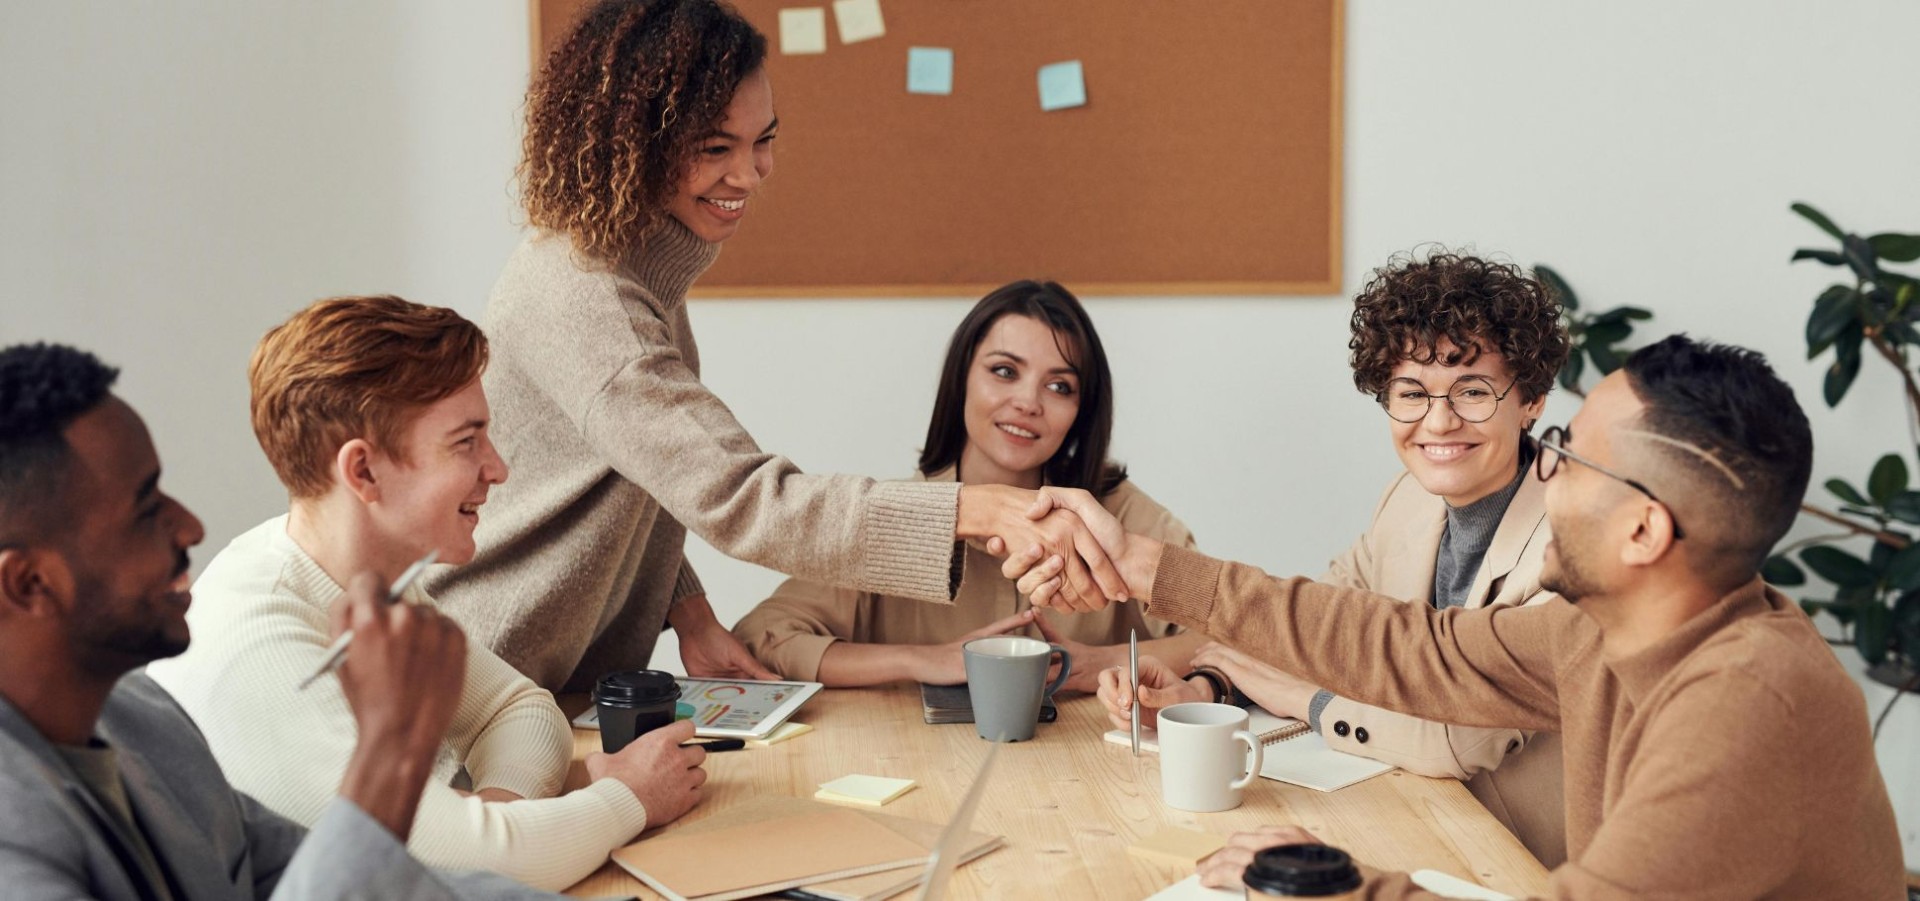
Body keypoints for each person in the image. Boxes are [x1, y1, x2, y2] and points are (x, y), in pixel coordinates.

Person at [1012, 336, 1905, 897]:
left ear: (1643, 528)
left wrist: (1338, 886)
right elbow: (1405, 646)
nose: (1542, 474)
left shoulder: (1748, 703)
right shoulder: (1599, 628)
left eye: (1566, 456)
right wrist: (1145, 566)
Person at [425, 0, 1124, 694]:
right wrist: (969, 510)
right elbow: (743, 496)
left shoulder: (634, 271)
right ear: (636, 143)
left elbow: (645, 472)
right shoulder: (591, 298)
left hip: (552, 683)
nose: (752, 172)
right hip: (484, 680)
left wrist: (689, 611)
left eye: (764, 139)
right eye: (715, 148)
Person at [145, 297, 704, 890]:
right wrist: (628, 797)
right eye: (466, 443)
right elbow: (459, 865)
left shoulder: (362, 577)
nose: (497, 469)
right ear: (362, 472)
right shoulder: (261, 644)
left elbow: (520, 710)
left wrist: (496, 817)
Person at [0, 342, 560, 900]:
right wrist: (392, 747)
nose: (192, 527)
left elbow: (322, 876)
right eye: (147, 509)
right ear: (30, 584)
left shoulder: (148, 722)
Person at [1098, 251, 1570, 864]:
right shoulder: (1407, 500)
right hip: (1416, 821)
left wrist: (1307, 701)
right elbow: (1315, 627)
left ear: (1531, 399)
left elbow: (1458, 741)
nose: (1439, 421)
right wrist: (1207, 688)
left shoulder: (1571, 542)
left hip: (1527, 861)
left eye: (1472, 391)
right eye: (1411, 393)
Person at [733, 281, 1203, 691]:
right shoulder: (894, 518)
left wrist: (1106, 662)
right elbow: (761, 637)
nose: (1027, 402)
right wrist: (924, 659)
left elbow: (1233, 638)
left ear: (1082, 411)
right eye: (1004, 372)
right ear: (961, 380)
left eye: (1059, 387)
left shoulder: (1121, 516)